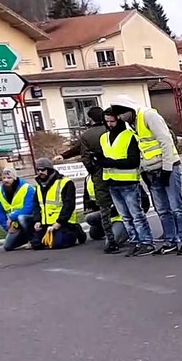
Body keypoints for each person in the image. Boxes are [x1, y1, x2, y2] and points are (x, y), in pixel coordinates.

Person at [107, 94, 182, 255]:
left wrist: (167, 169)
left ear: (129, 109)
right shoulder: (131, 124)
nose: (120, 118)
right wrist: (143, 171)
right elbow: (142, 148)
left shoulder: (148, 115)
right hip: (151, 170)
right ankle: (171, 240)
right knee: (162, 209)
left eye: (121, 114)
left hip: (167, 166)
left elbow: (166, 141)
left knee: (176, 207)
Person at [56, 106, 114, 252]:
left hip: (99, 173)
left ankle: (111, 240)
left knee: (104, 207)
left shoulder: (87, 135)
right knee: (123, 202)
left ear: (90, 119)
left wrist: (92, 170)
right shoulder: (113, 129)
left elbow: (83, 153)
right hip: (119, 170)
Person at [99, 108, 155, 257]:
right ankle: (135, 242)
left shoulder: (129, 136)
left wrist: (111, 162)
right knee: (125, 217)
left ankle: (146, 242)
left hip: (128, 181)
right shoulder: (104, 138)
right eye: (107, 121)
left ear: (119, 120)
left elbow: (133, 161)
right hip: (112, 181)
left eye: (112, 121)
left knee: (136, 215)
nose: (110, 124)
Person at [29, 158, 85, 250]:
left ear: (50, 170)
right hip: (46, 223)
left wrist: (59, 222)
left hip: (64, 222)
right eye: (38, 170)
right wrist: (37, 220)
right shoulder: (39, 186)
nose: (40, 172)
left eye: (43, 170)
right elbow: (36, 205)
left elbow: (69, 205)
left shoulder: (65, 183)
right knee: (36, 244)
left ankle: (76, 230)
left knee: (58, 244)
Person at [0, 168, 37, 252]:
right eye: (4, 178)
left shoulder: (27, 188)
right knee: (8, 246)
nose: (6, 180)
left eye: (9, 178)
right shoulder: (0, 191)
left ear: (15, 178)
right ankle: (24, 237)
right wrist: (7, 227)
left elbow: (29, 208)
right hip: (15, 224)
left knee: (22, 218)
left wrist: (12, 217)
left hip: (31, 220)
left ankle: (33, 239)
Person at [83, 174, 132, 248]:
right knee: (90, 220)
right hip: (105, 215)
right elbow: (88, 200)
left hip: (120, 217)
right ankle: (105, 228)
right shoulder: (88, 178)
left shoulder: (111, 176)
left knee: (111, 243)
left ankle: (129, 230)